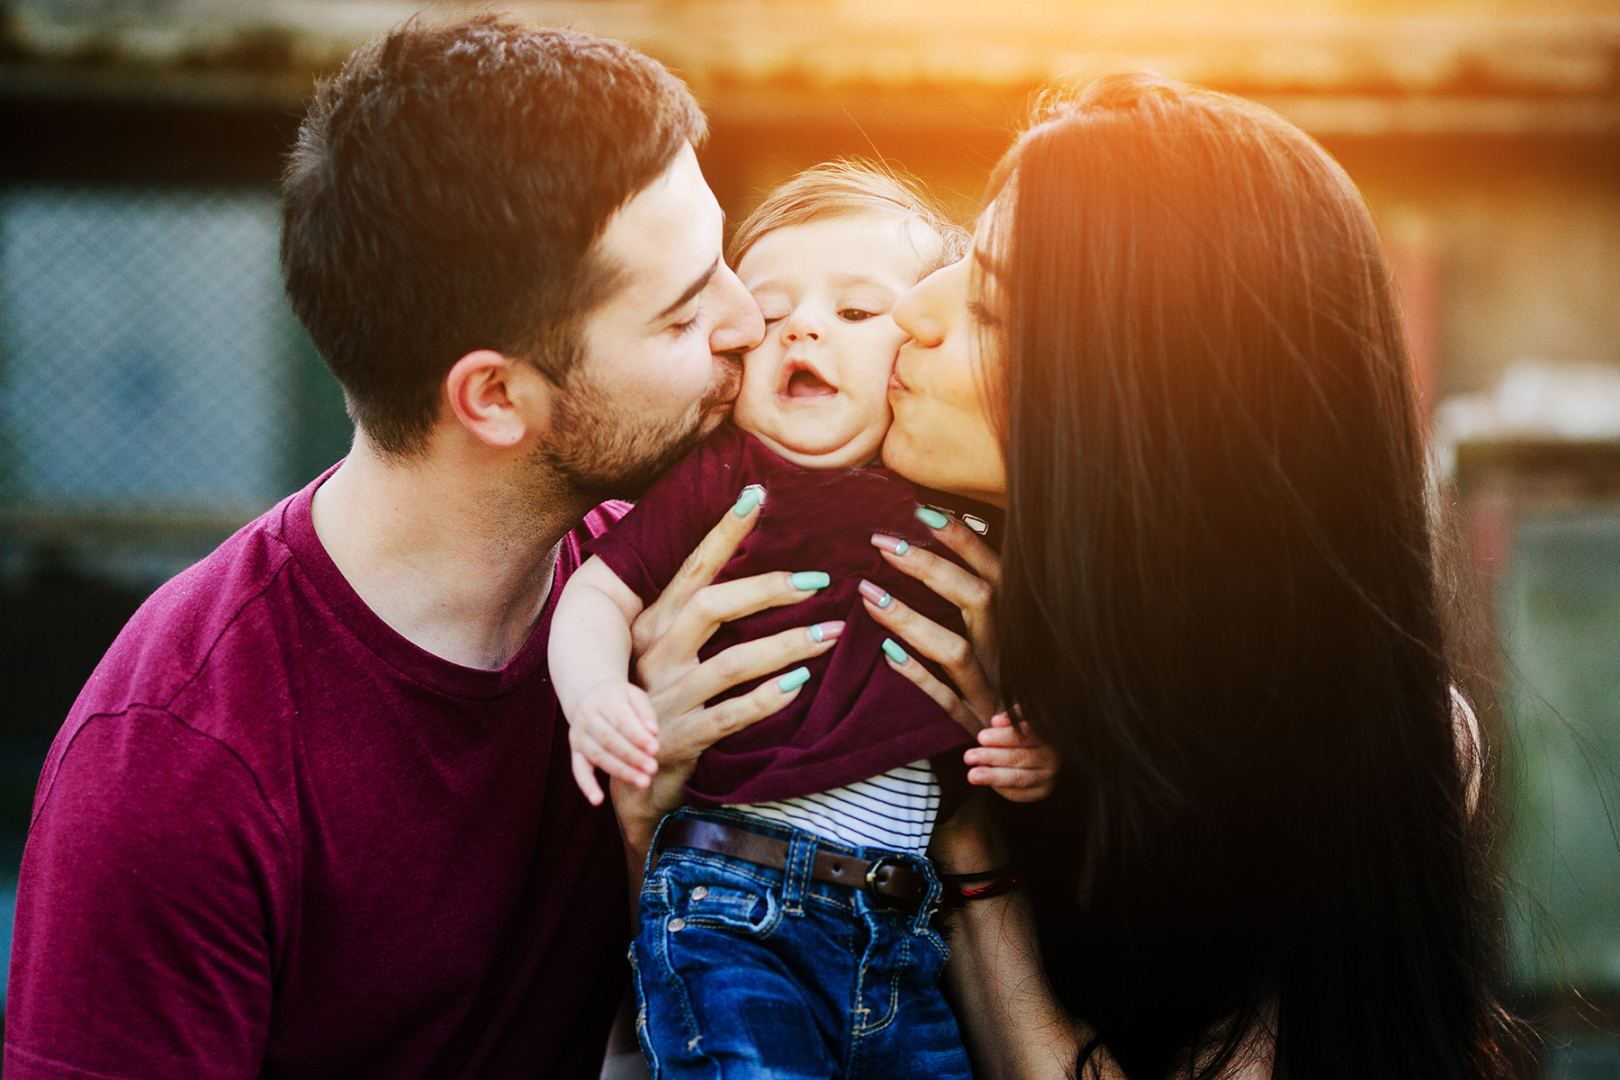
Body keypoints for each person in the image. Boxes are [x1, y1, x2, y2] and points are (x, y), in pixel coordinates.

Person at [3, 16, 836, 1079]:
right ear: (493, 397)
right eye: (681, 318)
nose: (747, 321)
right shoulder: (180, 764)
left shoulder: (675, 601)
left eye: (723, 260)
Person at [844, 73, 1522, 1078]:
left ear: (1143, 405)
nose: (910, 311)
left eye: (990, 307)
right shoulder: (846, 583)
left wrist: (975, 841)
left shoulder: (1361, 752)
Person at [551, 163, 1058, 1078]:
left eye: (859, 314)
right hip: (730, 898)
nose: (804, 327)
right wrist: (595, 692)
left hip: (900, 929)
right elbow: (595, 592)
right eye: (769, 311)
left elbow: (1036, 676)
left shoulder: (967, 513)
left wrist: (1030, 746)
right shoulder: (721, 481)